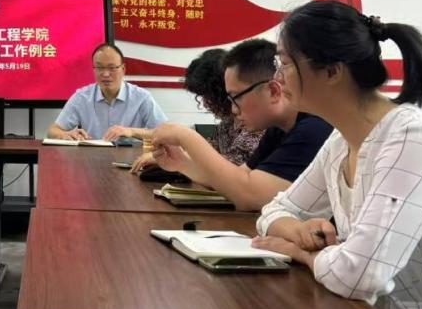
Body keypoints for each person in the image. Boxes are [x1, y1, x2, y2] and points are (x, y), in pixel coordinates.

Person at [252, 1, 422, 309]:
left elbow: (360, 274)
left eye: (284, 63)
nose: (277, 78)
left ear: (332, 71)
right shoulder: (341, 141)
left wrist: (301, 253)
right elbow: (275, 210)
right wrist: (298, 231)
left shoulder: (415, 139)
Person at [149, 39, 332, 211]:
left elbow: (249, 196)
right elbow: (235, 180)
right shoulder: (277, 129)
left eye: (235, 97)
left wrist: (187, 137)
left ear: (273, 91)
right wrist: (182, 163)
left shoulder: (315, 128)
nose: (233, 110)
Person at [131, 48, 262, 173]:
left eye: (207, 95)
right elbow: (213, 152)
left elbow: (231, 169)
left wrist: (183, 144)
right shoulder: (227, 123)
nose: (204, 103)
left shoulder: (255, 124)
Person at [47, 43, 167, 144]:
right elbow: (53, 131)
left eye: (112, 68)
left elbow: (165, 133)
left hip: (131, 161)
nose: (105, 74)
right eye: (99, 68)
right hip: (91, 160)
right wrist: (67, 134)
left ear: (123, 69)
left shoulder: (141, 97)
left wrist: (131, 131)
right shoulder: (82, 97)